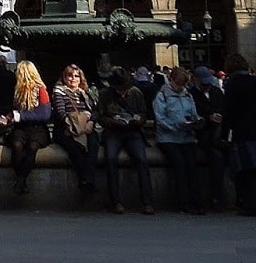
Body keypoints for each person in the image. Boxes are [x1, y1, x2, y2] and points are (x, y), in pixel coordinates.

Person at [220, 53, 256, 216]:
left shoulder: (231, 84)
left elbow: (228, 111)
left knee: (248, 171)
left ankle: (253, 207)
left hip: (243, 131)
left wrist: (225, 134)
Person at [98, 67, 154, 215]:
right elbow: (100, 116)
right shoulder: (105, 94)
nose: (122, 92)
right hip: (113, 131)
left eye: (124, 89)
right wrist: (112, 121)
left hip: (132, 131)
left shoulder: (136, 93)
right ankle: (115, 201)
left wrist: (138, 120)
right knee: (110, 159)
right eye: (119, 89)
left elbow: (143, 112)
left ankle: (147, 201)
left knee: (141, 159)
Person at [153, 66, 203, 214]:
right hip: (168, 138)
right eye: (179, 84)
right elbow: (160, 119)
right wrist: (176, 126)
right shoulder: (162, 95)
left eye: (184, 85)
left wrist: (196, 121)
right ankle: (184, 201)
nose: (181, 88)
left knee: (192, 166)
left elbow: (194, 113)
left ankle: (196, 201)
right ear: (172, 81)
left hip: (186, 137)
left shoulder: (187, 95)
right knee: (179, 165)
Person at [52, 64, 99, 196]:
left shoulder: (86, 92)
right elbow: (60, 111)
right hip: (65, 129)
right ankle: (85, 180)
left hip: (86, 126)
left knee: (93, 145)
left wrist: (90, 123)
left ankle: (88, 180)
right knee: (75, 149)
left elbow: (95, 111)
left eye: (76, 76)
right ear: (64, 77)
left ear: (80, 78)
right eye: (69, 75)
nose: (73, 78)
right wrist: (72, 126)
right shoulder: (59, 91)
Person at [9, 61, 51, 196]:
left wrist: (21, 116)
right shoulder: (17, 91)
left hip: (37, 128)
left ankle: (21, 181)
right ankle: (22, 181)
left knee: (32, 147)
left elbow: (45, 114)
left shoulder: (40, 90)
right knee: (16, 145)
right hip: (21, 128)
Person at [190, 64, 227, 210]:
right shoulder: (191, 94)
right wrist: (208, 118)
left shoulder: (217, 92)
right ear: (195, 80)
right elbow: (193, 116)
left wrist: (220, 115)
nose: (206, 87)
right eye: (203, 83)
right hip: (204, 134)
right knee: (216, 158)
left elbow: (224, 108)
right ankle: (217, 197)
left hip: (219, 133)